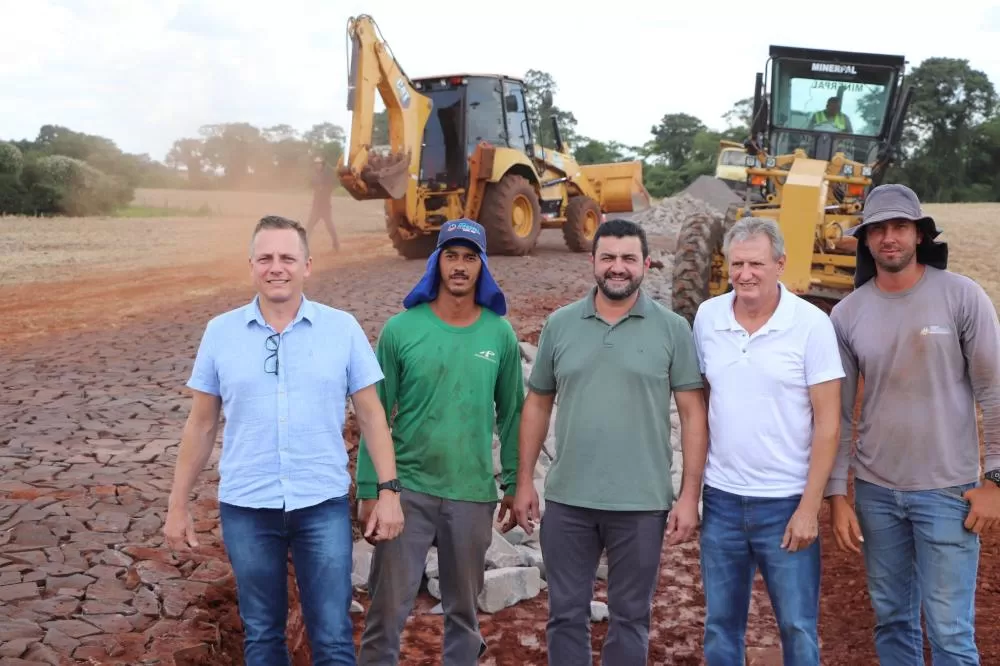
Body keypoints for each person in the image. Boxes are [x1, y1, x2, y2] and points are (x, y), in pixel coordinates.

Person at [163, 215, 405, 666]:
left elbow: (372, 416)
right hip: (247, 507)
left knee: (332, 636)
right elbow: (200, 425)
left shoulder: (342, 328)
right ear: (252, 265)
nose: (277, 267)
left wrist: (389, 492)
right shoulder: (221, 332)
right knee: (261, 635)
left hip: (321, 505)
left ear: (307, 266)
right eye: (266, 258)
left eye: (288, 258)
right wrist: (178, 505)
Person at [513, 217, 708, 666]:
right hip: (568, 502)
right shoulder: (560, 325)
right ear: (592, 262)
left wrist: (688, 495)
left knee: (631, 617)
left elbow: (693, 413)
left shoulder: (673, 328)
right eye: (608, 258)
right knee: (564, 616)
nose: (617, 267)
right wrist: (524, 481)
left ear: (646, 264)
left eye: (628, 258)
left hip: (641, 505)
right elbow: (538, 404)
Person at [825, 183, 1000, 664]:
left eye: (899, 227)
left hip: (948, 491)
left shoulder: (962, 297)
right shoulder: (846, 314)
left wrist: (997, 481)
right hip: (878, 495)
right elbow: (836, 413)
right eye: (877, 229)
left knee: (949, 630)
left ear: (919, 234)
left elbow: (994, 391)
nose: (889, 238)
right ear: (865, 240)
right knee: (893, 620)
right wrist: (838, 495)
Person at [356, 218, 524, 665]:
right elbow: (374, 413)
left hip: (471, 492)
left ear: (482, 267)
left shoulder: (499, 334)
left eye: (470, 258)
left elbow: (512, 414)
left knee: (464, 614)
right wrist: (371, 489)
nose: (460, 266)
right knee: (386, 609)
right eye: (451, 255)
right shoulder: (401, 330)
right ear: (437, 262)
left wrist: (514, 482)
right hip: (406, 490)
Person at [691, 216, 844, 665]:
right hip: (721, 500)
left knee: (797, 627)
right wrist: (694, 490)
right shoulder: (708, 316)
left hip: (784, 502)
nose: (745, 274)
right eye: (736, 264)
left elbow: (829, 422)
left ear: (780, 263)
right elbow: (703, 400)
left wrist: (808, 508)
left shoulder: (812, 325)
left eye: (756, 263)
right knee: (721, 626)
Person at [307, 156, 340, 251]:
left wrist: (323, 188)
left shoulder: (327, 175)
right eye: (316, 164)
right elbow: (311, 184)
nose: (317, 165)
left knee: (329, 225)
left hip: (325, 205)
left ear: (322, 164)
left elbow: (331, 183)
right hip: (316, 205)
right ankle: (304, 246)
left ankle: (336, 244)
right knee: (309, 226)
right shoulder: (315, 176)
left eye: (319, 163)